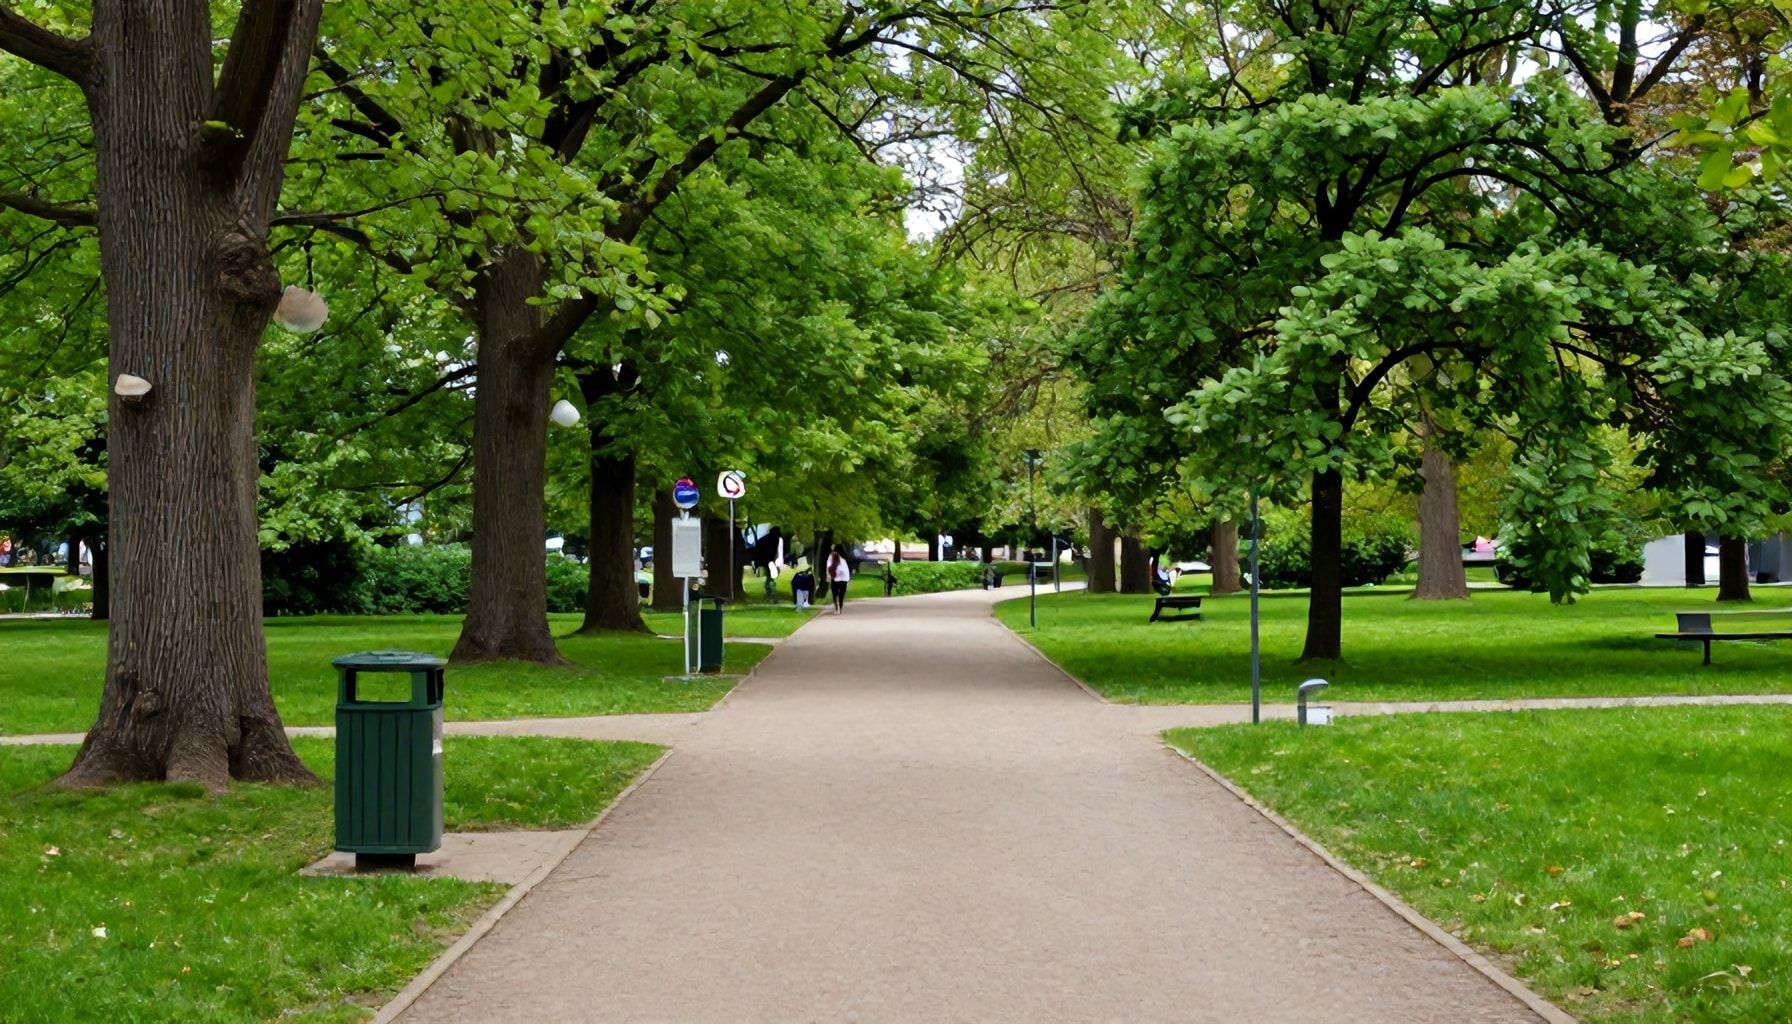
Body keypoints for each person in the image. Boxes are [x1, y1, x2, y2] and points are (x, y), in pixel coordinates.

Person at [826, 543, 851, 613]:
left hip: (835, 577)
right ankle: (840, 608)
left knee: (835, 594)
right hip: (844, 578)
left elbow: (828, 566)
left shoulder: (832, 556)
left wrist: (828, 576)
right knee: (841, 594)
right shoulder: (845, 556)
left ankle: (836, 608)